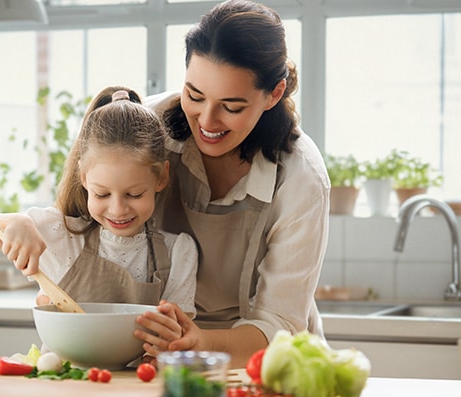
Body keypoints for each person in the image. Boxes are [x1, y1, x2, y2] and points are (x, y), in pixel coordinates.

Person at [134, 0, 330, 367]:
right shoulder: (149, 128)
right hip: (162, 354)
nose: (207, 120)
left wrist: (200, 341)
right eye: (194, 95)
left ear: (274, 94)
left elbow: (279, 323)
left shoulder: (300, 175)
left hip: (265, 363)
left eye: (232, 106)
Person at [0, 86, 197, 322]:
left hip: (139, 375)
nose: (118, 209)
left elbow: (178, 333)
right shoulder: (59, 235)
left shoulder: (178, 252)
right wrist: (16, 221)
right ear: (83, 177)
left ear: (161, 177)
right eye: (102, 194)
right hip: (63, 373)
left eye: (135, 195)